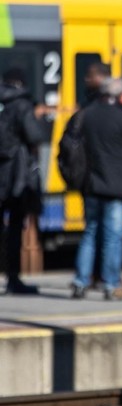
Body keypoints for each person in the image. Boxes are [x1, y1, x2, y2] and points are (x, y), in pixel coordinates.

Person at [70, 77, 122, 300]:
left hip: (91, 183)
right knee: (113, 236)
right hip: (115, 185)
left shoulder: (87, 114)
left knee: (90, 232)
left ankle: (80, 281)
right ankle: (111, 284)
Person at [0, 68, 43, 295]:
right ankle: (13, 279)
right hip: (15, 174)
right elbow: (35, 136)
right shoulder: (22, 104)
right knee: (16, 228)